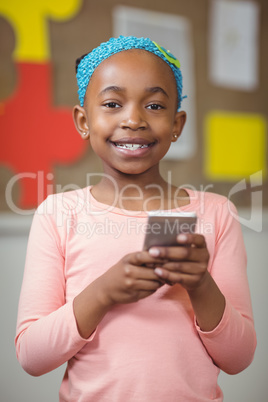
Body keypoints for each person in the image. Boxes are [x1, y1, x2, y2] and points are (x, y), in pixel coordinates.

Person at [15, 36, 256, 401]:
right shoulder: (58, 214)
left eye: (155, 105)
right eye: (112, 103)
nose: (133, 119)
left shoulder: (216, 213)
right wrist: (103, 292)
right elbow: (32, 356)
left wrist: (201, 285)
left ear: (177, 124)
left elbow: (239, 358)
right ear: (83, 121)